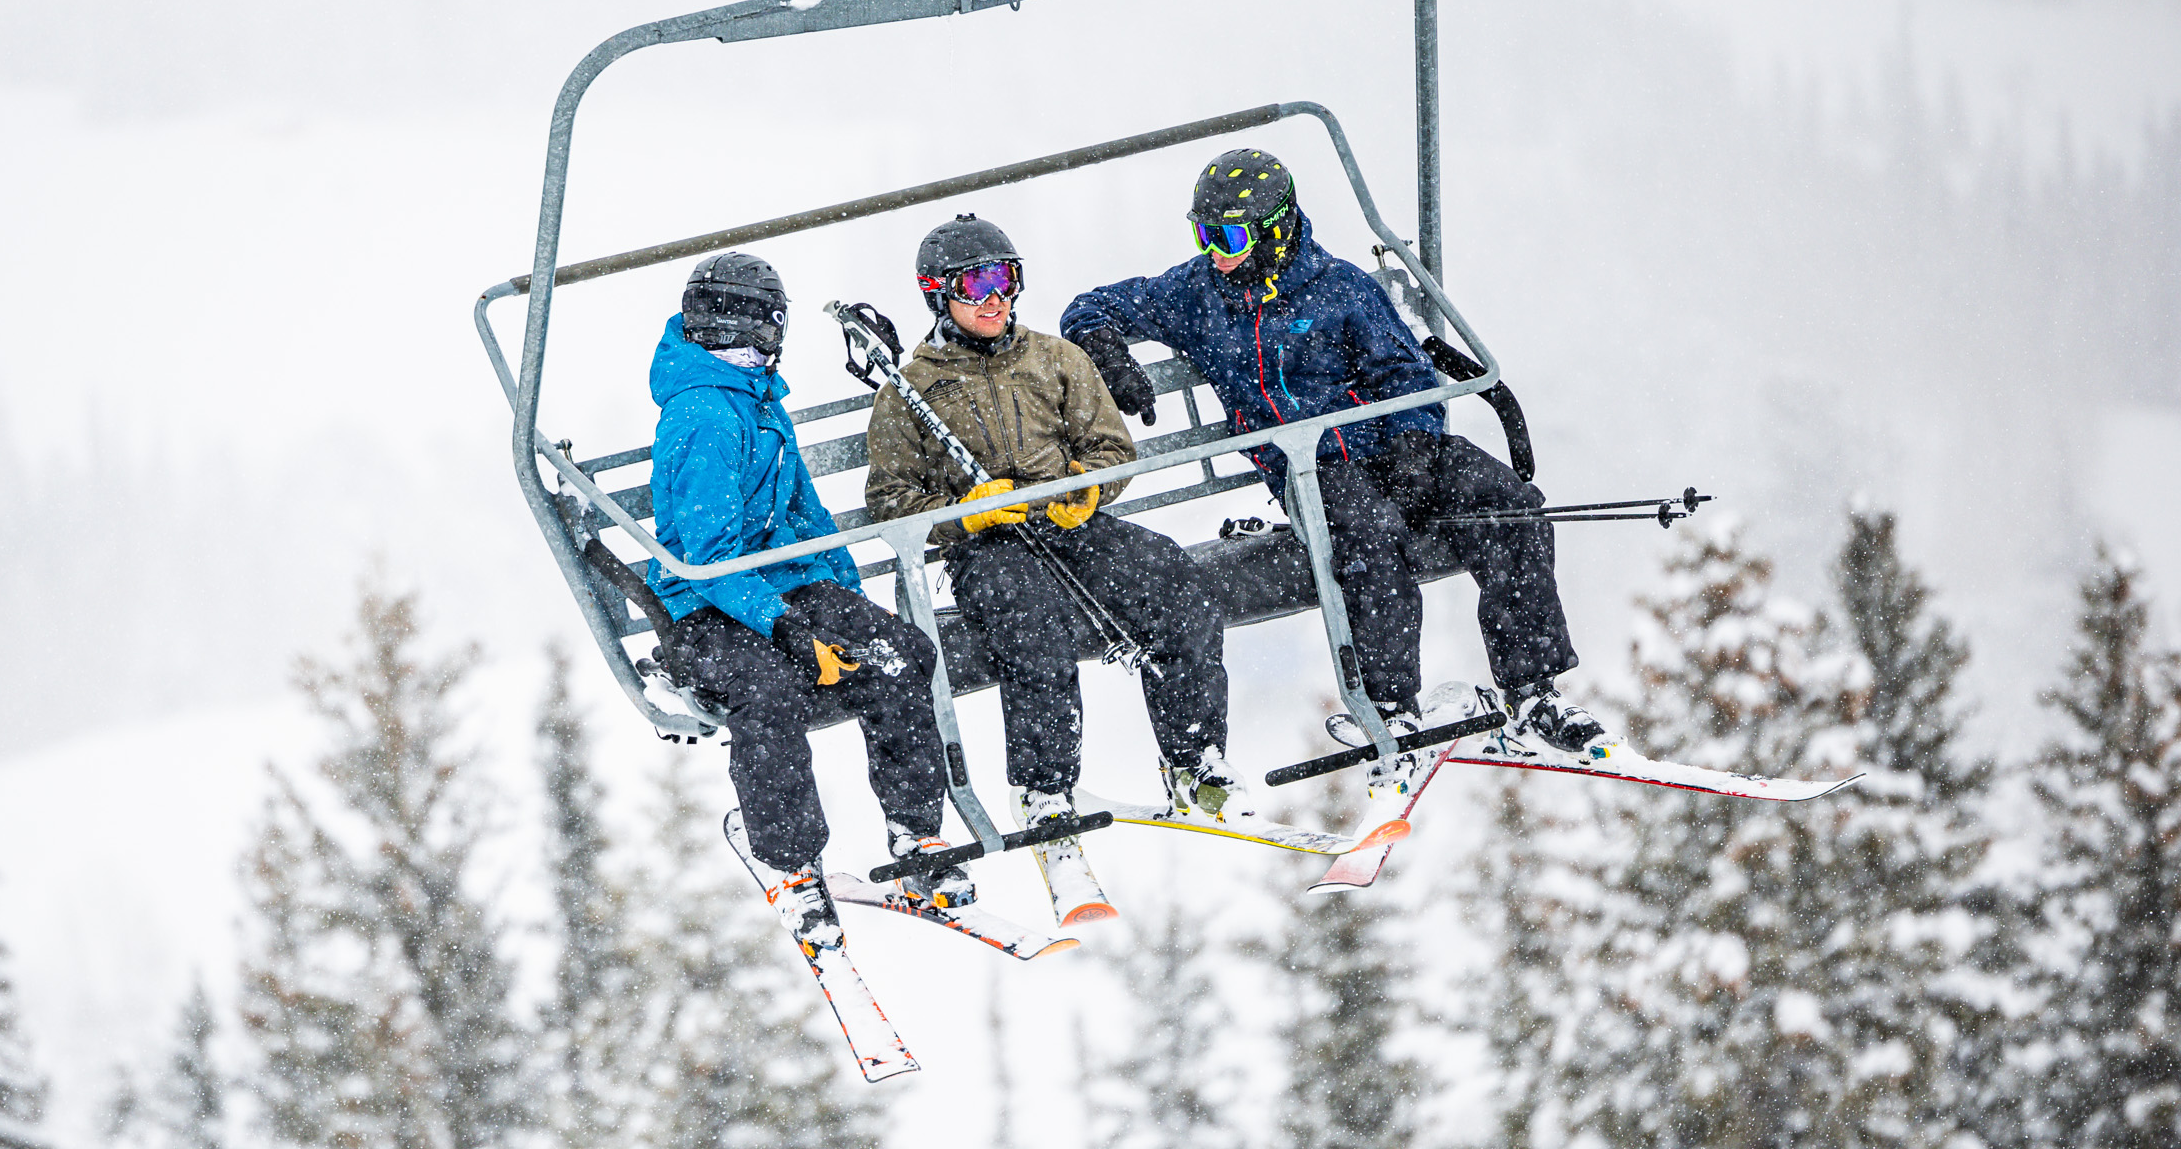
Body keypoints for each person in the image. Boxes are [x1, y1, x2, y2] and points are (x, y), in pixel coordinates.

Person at [1058, 149, 1608, 777]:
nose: (1214, 250)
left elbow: (1405, 373)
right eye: (1202, 233)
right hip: (1308, 466)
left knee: (1512, 508)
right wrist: (1107, 351)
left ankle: (1533, 690)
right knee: (1372, 538)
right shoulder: (1196, 294)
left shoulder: (1339, 286)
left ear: (1275, 227)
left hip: (1400, 450)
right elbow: (1091, 306)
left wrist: (1413, 445)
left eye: (1229, 235)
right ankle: (1392, 704)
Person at [863, 214, 1235, 928]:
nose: (996, 297)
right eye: (977, 283)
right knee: (1032, 629)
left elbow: (1109, 448)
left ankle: (1195, 755)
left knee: (1174, 581)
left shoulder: (1055, 359)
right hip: (989, 549)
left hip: (1071, 526)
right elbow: (891, 503)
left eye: (1007, 279)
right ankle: (1045, 791)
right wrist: (964, 514)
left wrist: (1083, 490)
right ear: (939, 295)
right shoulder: (909, 392)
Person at [646, 250, 957, 952]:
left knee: (901, 653)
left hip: (780, 586)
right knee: (769, 689)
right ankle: (791, 866)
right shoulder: (702, 416)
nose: (749, 354)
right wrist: (785, 627)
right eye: (732, 340)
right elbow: (705, 558)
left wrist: (848, 605)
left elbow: (807, 518)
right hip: (703, 609)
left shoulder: (760, 401)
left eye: (758, 339)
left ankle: (916, 830)